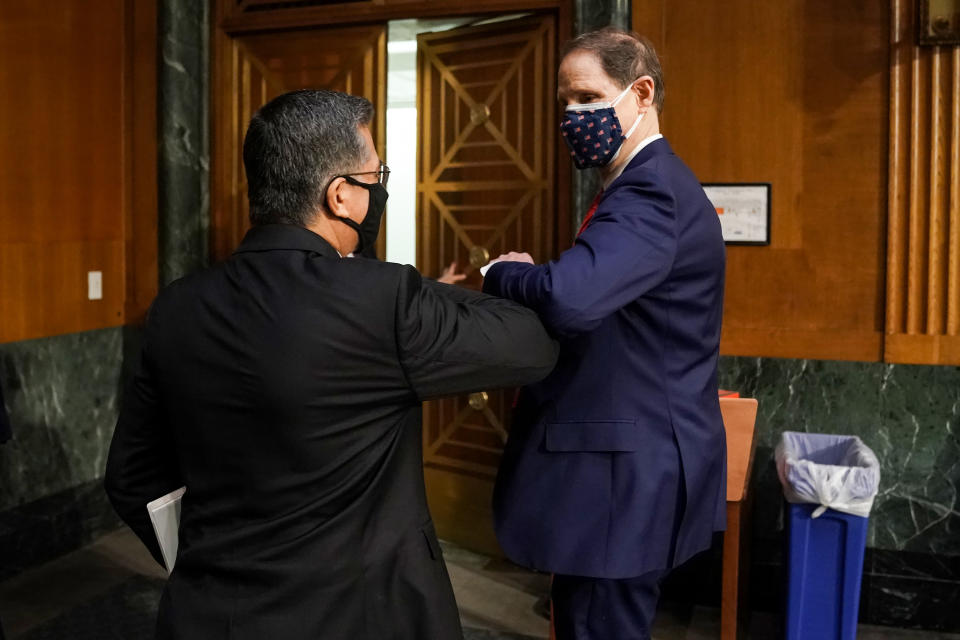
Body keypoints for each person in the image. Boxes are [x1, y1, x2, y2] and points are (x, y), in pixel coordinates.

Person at [105, 89, 558, 640]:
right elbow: (533, 345)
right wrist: (499, 279)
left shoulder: (177, 306)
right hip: (361, 616)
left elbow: (132, 477)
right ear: (341, 195)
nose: (381, 187)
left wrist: (203, 558)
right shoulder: (381, 300)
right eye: (377, 173)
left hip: (211, 615)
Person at [482, 28, 727, 640]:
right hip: (621, 468)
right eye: (564, 103)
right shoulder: (637, 186)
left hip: (621, 477)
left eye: (587, 98)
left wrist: (506, 273)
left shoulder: (650, 190)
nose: (571, 116)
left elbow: (570, 298)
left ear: (640, 93)